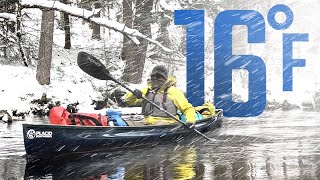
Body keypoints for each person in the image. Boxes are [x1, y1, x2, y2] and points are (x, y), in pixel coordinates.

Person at [125, 65, 196, 125]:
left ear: (165, 78)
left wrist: (190, 121)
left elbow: (188, 109)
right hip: (147, 124)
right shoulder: (147, 91)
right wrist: (133, 94)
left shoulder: (173, 91)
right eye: (153, 76)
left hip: (167, 126)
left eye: (159, 76)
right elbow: (128, 101)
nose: (155, 78)